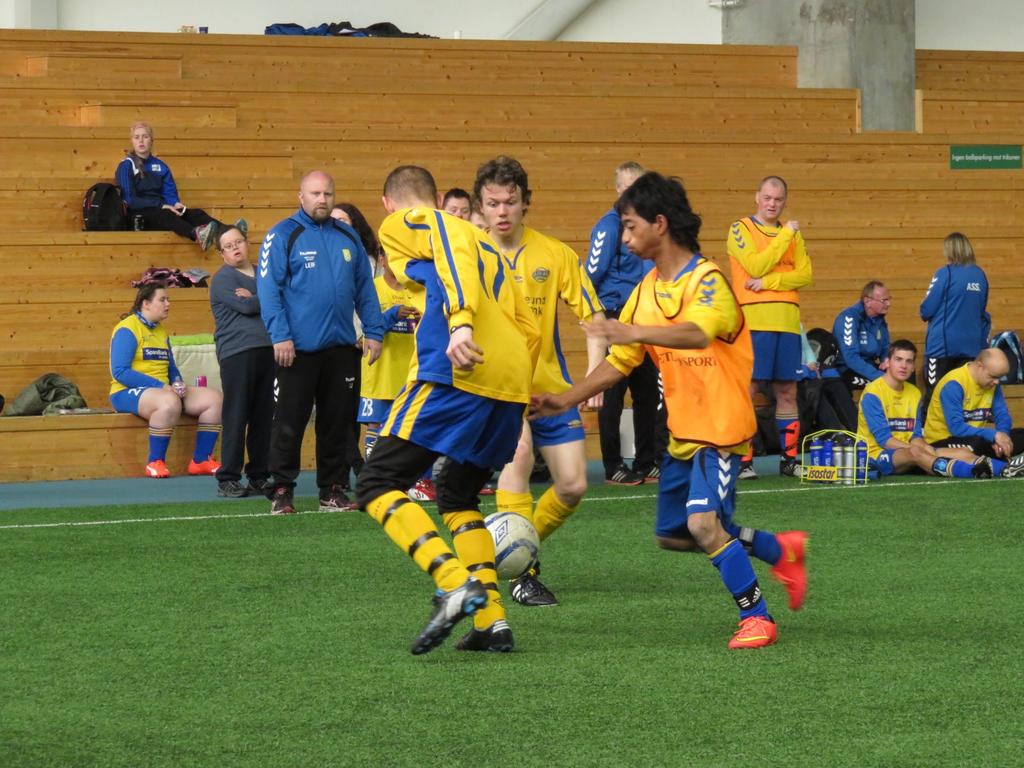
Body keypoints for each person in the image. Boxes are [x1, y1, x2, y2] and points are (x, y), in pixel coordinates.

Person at [533, 171, 807, 650]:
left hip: (721, 429)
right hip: (683, 432)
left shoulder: (709, 281)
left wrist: (634, 332)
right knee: (677, 536)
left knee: (703, 526)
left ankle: (758, 617)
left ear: (660, 224)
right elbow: (621, 361)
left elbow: (697, 332)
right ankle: (778, 548)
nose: (624, 237)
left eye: (630, 226)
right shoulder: (645, 291)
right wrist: (565, 398)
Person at [355, 165, 540, 655]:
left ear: (389, 203)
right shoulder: (490, 247)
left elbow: (446, 250)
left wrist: (459, 322)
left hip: (457, 370)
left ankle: (455, 583)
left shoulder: (412, 222)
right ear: (438, 195)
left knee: (375, 481)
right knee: (458, 493)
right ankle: (493, 622)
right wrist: (530, 389)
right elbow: (528, 322)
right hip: (507, 382)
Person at [474, 155, 606, 607]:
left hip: (551, 387)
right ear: (481, 207)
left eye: (511, 202)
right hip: (498, 388)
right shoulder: (470, 256)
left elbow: (593, 315)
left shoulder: (554, 254)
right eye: (493, 203)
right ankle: (524, 574)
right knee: (521, 453)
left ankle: (511, 549)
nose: (502, 211)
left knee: (573, 484)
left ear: (526, 203)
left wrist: (594, 375)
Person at [256, 170, 385, 515]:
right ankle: (282, 489)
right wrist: (280, 335)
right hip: (296, 350)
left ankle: (333, 489)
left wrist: (374, 330)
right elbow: (269, 290)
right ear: (301, 196)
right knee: (288, 423)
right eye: (315, 193)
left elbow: (365, 288)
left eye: (327, 194)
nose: (322, 200)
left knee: (340, 424)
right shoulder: (283, 234)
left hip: (342, 348)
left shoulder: (348, 237)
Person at [727, 175, 813, 479]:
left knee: (787, 390)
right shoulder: (740, 229)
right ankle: (744, 461)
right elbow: (754, 265)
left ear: (785, 201)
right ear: (757, 197)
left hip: (788, 322)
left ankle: (789, 459)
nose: (772, 204)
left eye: (778, 199)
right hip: (754, 321)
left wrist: (769, 283)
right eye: (767, 197)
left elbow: (805, 275)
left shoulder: (792, 235)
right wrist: (785, 236)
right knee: (749, 390)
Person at [587, 161, 665, 485]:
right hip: (616, 316)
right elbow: (590, 275)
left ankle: (647, 462)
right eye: (628, 187)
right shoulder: (608, 226)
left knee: (646, 393)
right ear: (618, 189)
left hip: (643, 320)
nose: (633, 193)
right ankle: (613, 466)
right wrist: (598, 318)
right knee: (613, 394)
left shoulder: (646, 227)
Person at [109, 284, 223, 478]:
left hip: (162, 390)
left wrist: (177, 381)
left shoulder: (161, 331)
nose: (168, 304)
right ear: (146, 303)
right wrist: (162, 387)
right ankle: (155, 462)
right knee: (168, 402)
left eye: (167, 299)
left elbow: (170, 366)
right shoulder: (127, 329)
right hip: (125, 392)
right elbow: (120, 372)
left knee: (214, 399)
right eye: (162, 300)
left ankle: (201, 460)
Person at [857, 339, 1003, 479]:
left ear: (914, 367)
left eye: (909, 361)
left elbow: (915, 436)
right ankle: (971, 472)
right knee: (917, 452)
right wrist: (922, 449)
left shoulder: (914, 393)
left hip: (908, 451)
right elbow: (885, 441)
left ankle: (1003, 469)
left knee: (960, 451)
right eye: (898, 359)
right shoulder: (873, 393)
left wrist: (926, 448)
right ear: (887, 362)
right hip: (875, 456)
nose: (904, 366)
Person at [209, 226, 274, 497]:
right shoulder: (223, 279)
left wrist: (260, 298)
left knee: (263, 417)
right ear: (222, 253)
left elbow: (284, 298)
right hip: (237, 352)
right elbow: (248, 307)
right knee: (236, 414)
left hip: (269, 350)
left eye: (239, 242)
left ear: (248, 243)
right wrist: (267, 298)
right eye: (228, 245)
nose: (235, 248)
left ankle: (259, 474)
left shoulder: (265, 272)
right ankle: (228, 477)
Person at [116, 121, 231, 251]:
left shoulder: (161, 166)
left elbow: (169, 192)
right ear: (132, 141)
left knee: (195, 213)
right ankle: (197, 234)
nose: (141, 141)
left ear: (152, 140)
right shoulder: (126, 165)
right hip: (140, 213)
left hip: (163, 210)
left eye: (145, 136)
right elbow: (129, 200)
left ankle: (230, 232)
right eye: (137, 137)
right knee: (166, 214)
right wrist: (160, 205)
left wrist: (175, 203)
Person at [924, 348, 1024, 475]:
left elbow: (1002, 415)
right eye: (993, 377)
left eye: (999, 378)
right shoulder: (954, 383)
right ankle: (1006, 467)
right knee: (976, 444)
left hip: (977, 439)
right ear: (979, 366)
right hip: (942, 442)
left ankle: (1001, 459)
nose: (997, 382)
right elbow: (956, 428)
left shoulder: (992, 384)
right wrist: (993, 436)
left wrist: (1002, 438)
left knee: (1020, 434)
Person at [920, 232, 991, 406]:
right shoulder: (980, 275)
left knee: (934, 396)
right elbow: (982, 311)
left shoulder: (944, 273)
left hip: (942, 349)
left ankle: (924, 432)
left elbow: (926, 310)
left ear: (949, 250)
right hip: (971, 348)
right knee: (962, 397)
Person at [833, 280, 892, 390]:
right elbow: (851, 358)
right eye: (884, 300)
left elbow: (886, 349)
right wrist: (880, 376)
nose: (889, 304)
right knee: (887, 385)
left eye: (889, 299)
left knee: (903, 376)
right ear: (867, 301)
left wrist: (888, 362)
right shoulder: (849, 318)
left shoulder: (880, 320)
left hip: (870, 367)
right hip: (847, 370)